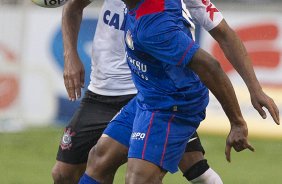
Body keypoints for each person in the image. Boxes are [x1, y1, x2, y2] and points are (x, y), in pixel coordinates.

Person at [78, 0, 280, 183]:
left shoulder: (154, 27)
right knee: (100, 158)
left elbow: (211, 66)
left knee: (139, 179)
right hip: (149, 96)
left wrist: (237, 121)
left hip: (173, 104)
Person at [51, 0, 224, 183]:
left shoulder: (161, 14)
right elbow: (72, 6)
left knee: (191, 169)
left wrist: (238, 117)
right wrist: (70, 55)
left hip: (147, 93)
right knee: (64, 173)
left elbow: (214, 45)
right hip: (102, 92)